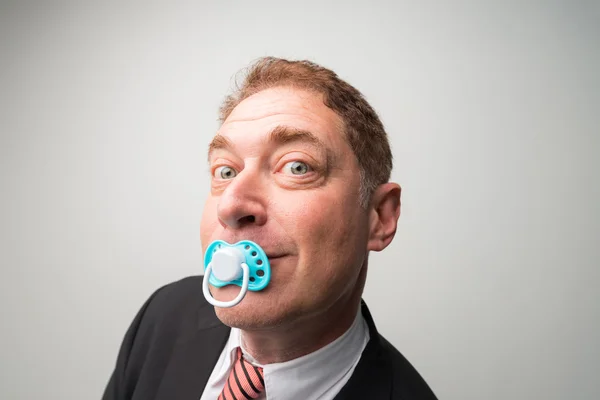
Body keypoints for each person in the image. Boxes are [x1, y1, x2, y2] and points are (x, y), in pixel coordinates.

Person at [102, 57, 437, 400]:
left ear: (379, 217)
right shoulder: (164, 316)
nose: (231, 206)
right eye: (226, 171)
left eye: (296, 166)